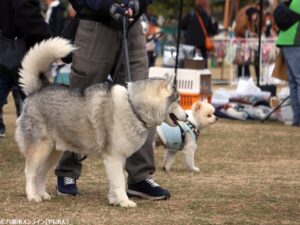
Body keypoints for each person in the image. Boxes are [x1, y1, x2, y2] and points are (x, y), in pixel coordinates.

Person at [55, 0, 171, 200]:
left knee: (144, 100)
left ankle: (140, 176)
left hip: (133, 27)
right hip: (95, 25)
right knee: (80, 100)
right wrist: (105, 4)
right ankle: (67, 171)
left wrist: (138, 3)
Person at [0, 0, 51, 137]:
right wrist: (46, 36)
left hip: (6, 43)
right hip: (23, 49)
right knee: (35, 100)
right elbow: (25, 13)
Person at [276, 0, 300, 127]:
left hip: (286, 42)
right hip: (295, 42)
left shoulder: (293, 2)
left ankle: (297, 118)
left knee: (293, 82)